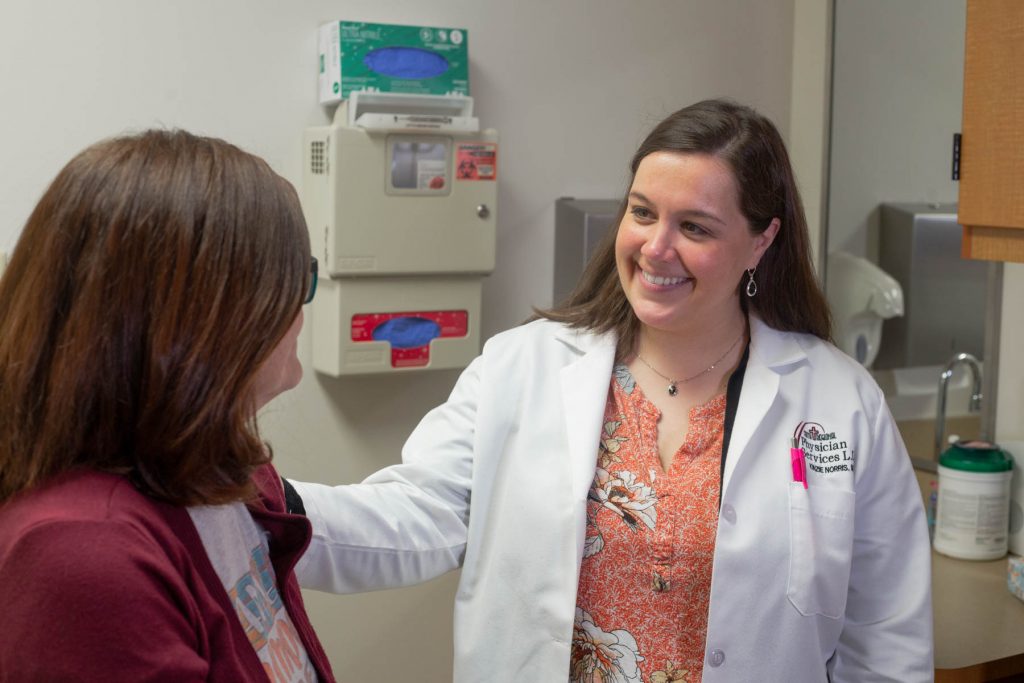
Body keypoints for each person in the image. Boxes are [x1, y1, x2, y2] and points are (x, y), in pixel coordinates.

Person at [291, 99, 933, 681]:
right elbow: (413, 515)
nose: (657, 248)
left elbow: (885, 637)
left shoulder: (840, 403)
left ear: (761, 241)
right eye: (643, 213)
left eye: (696, 228)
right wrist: (262, 508)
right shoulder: (524, 366)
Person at [0, 130, 334, 682]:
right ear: (211, 320)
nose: (302, 309)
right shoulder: (82, 558)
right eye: (298, 280)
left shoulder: (218, 467)